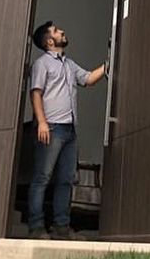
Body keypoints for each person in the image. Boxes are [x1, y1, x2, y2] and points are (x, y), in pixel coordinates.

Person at [27, 20, 107, 240]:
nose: (62, 31)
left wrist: (109, 63)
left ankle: (61, 228)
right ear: (50, 40)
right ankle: (36, 228)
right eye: (56, 31)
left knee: (66, 179)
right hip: (51, 128)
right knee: (42, 177)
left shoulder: (69, 64)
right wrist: (42, 122)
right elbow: (36, 93)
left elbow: (89, 79)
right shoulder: (42, 64)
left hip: (70, 130)